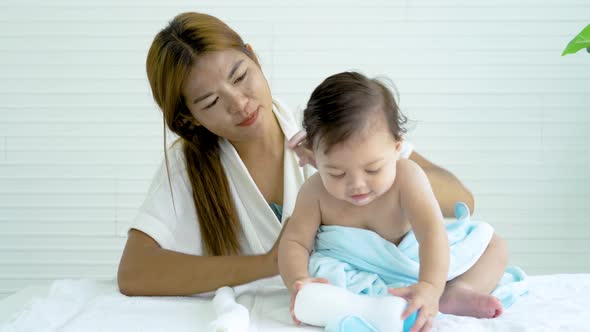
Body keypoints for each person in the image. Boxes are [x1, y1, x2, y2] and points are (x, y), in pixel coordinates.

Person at [116, 11, 485, 297]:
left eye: (241, 75)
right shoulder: (189, 166)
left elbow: (461, 201)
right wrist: (266, 264)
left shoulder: (327, 128)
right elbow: (134, 272)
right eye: (211, 101)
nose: (240, 103)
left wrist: (361, 169)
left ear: (254, 57)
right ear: (189, 118)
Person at [278, 72, 508, 332]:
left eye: (373, 169)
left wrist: (431, 286)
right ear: (315, 158)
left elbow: (432, 234)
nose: (357, 184)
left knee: (494, 245)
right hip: (352, 275)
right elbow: (295, 242)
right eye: (337, 173)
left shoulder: (407, 177)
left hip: (417, 264)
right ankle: (364, 303)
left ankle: (453, 293)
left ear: (397, 149)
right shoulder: (315, 190)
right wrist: (300, 281)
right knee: (325, 282)